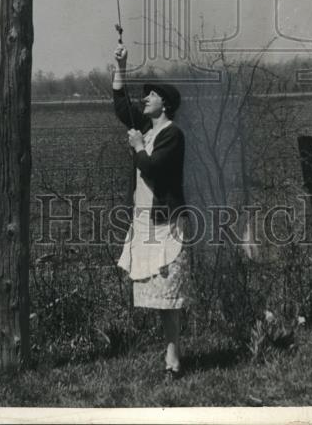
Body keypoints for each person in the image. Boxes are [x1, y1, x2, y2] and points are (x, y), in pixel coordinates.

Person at [111, 42, 189, 379]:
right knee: (158, 295)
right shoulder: (146, 128)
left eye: (151, 95)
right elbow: (120, 105)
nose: (145, 99)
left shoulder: (173, 135)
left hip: (166, 224)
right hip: (144, 222)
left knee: (169, 293)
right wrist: (120, 66)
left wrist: (139, 148)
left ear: (165, 104)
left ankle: (173, 359)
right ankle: (170, 357)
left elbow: (154, 168)